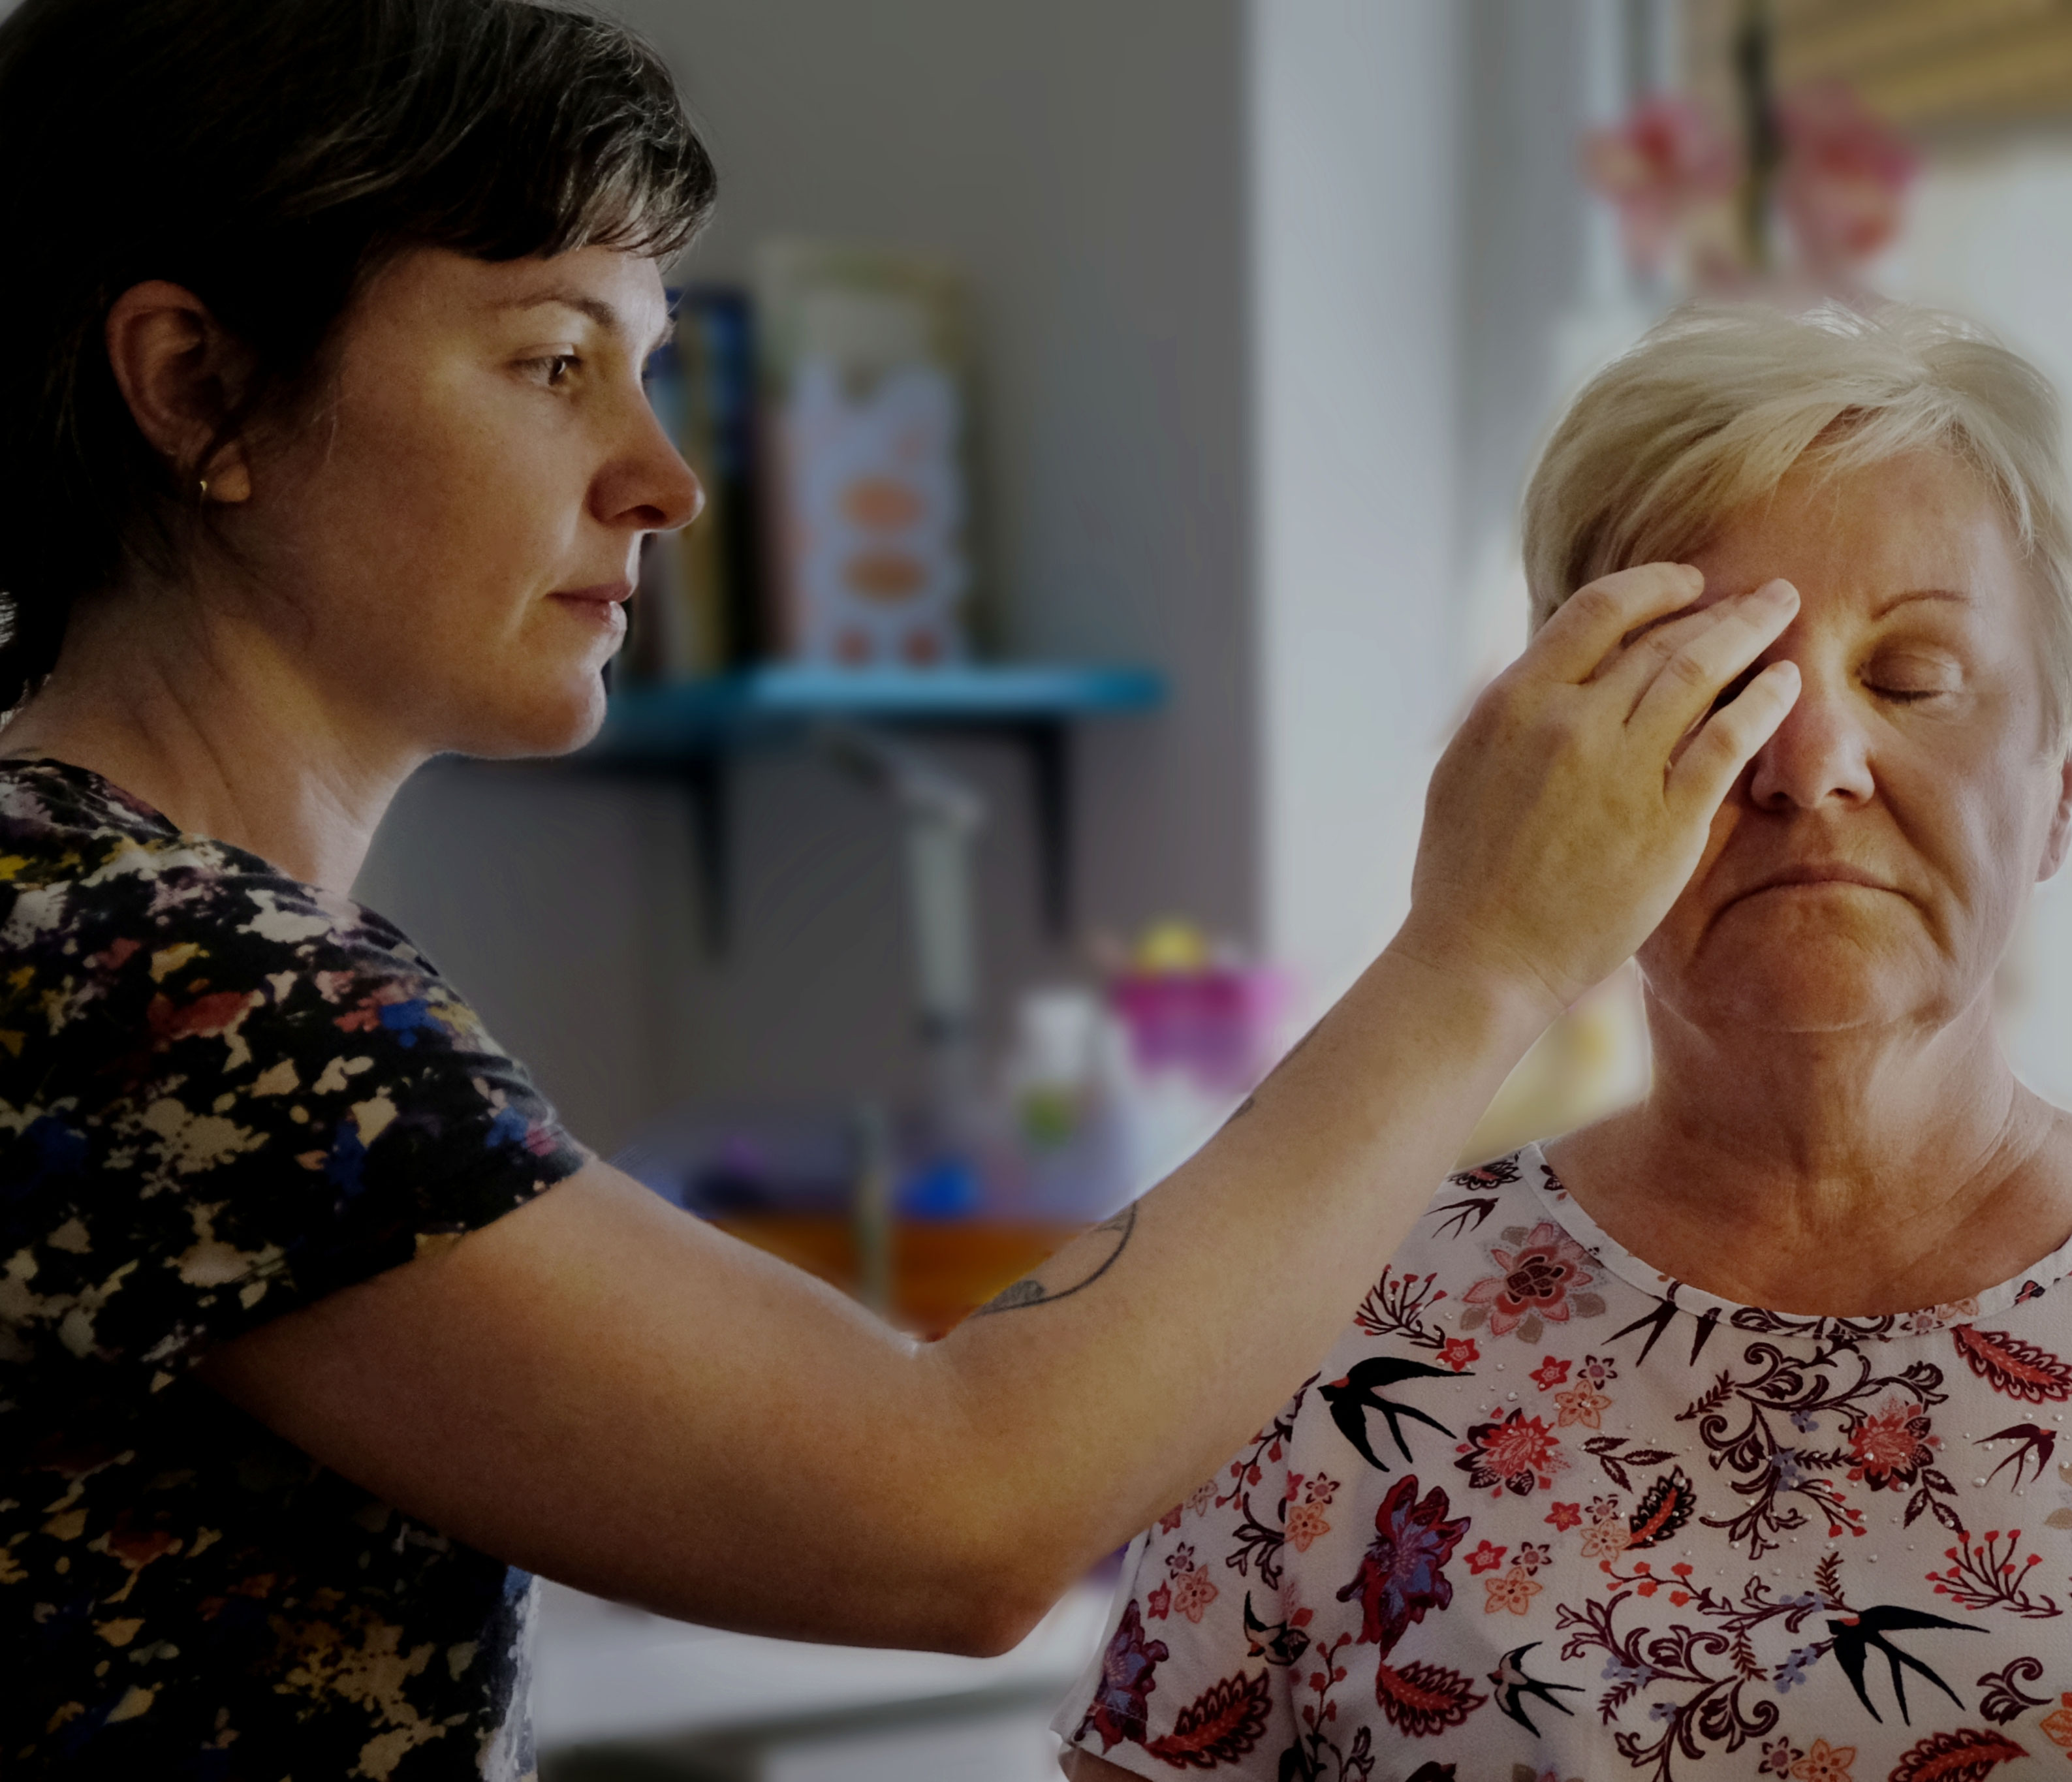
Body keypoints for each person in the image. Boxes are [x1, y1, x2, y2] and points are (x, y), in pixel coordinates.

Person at [0, 1, 1810, 1775]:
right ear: (197, 389)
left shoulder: (101, 922)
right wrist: (1480, 959)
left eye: (646, 366)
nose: (666, 480)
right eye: (552, 364)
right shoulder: (165, 982)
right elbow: (960, 1514)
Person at [1056, 304, 2072, 1782]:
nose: (1808, 760)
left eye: (1913, 677)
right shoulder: (1329, 1336)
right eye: (1713, 686)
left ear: (2059, 789)